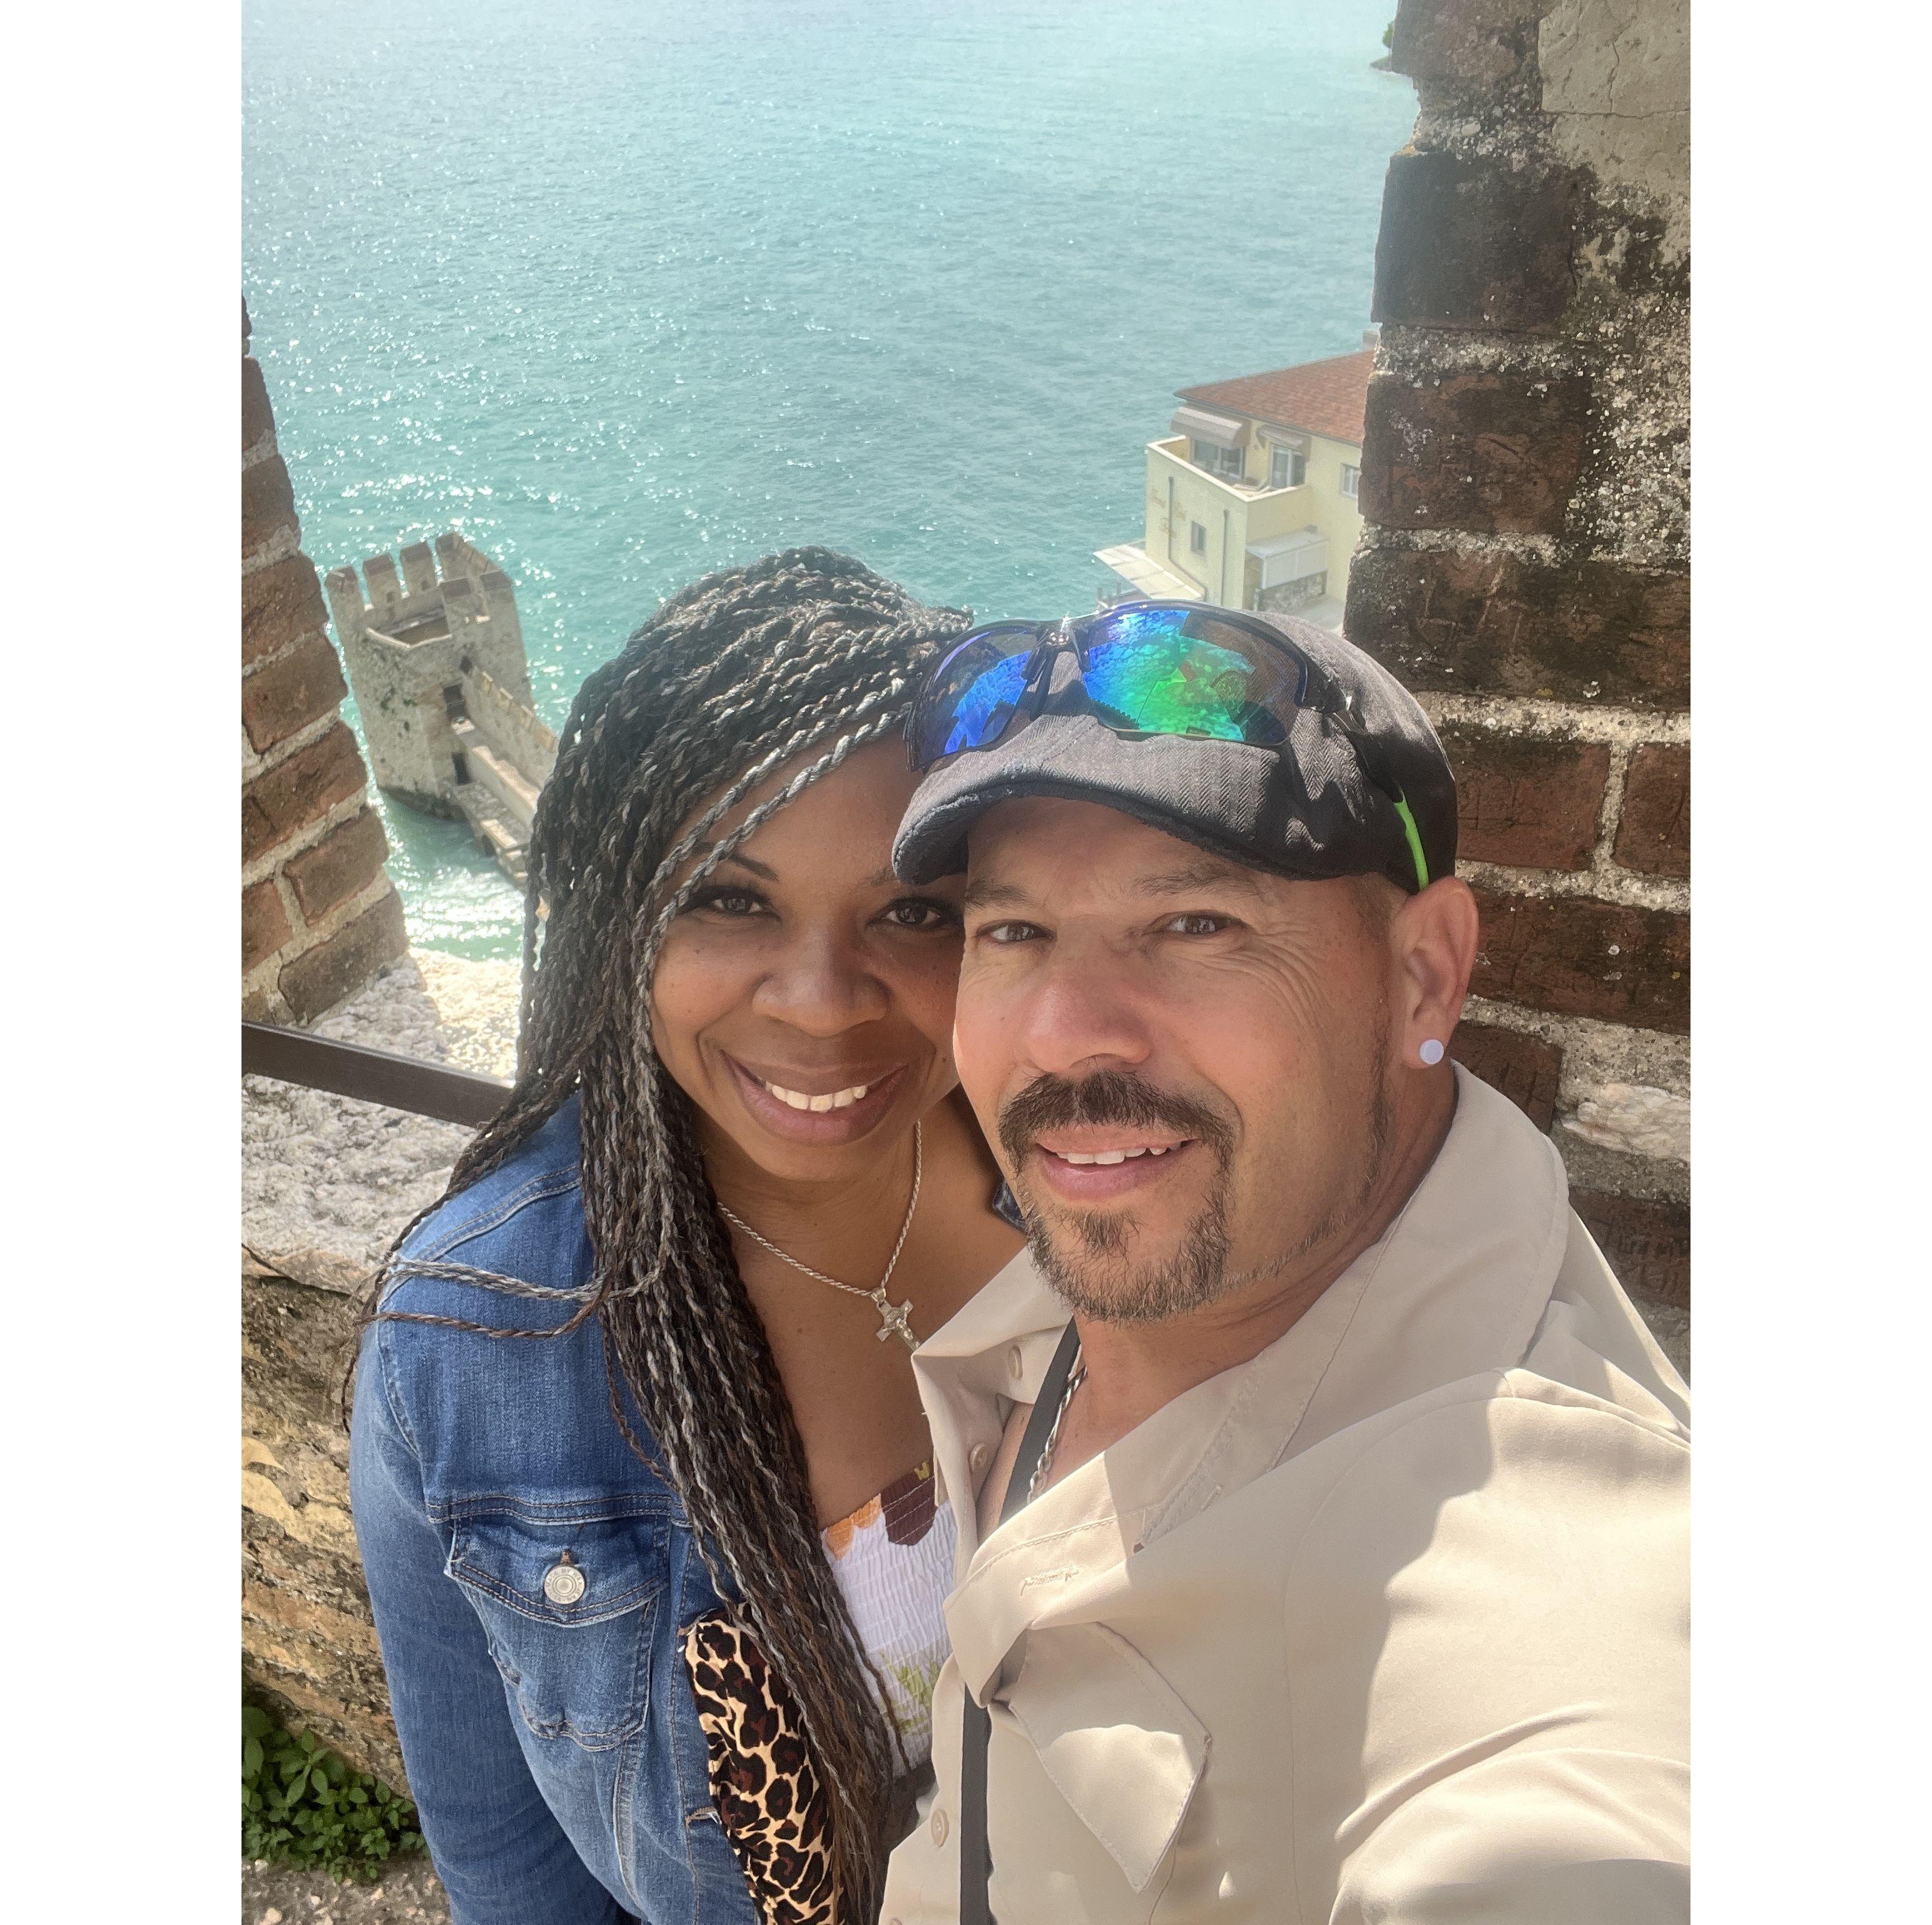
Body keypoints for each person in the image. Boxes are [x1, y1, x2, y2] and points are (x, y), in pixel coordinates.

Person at [880, 603, 1691, 1922]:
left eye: (1194, 924)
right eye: (1009, 931)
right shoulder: (1161, 1258)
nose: (1064, 1034)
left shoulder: (1560, 1658)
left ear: (1423, 976)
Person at [349, 550, 1030, 1925]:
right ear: (618, 922)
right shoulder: (474, 1348)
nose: (823, 1001)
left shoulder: (1105, 1190)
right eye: (729, 898)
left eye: (911, 909)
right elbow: (508, 1863)